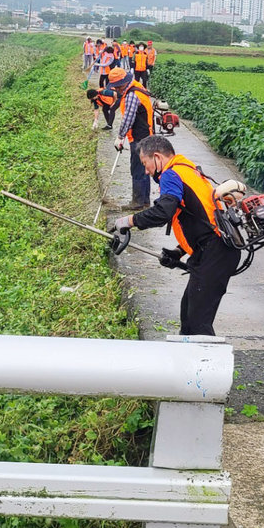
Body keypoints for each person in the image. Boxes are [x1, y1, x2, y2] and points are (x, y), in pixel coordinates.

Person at [111, 135, 241, 336]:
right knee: (188, 316)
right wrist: (179, 252)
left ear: (157, 157)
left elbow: (163, 211)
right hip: (212, 250)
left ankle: (207, 365)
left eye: (146, 164)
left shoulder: (171, 174)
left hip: (216, 253)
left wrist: (128, 221)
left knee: (198, 323)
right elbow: (201, 218)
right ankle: (188, 364)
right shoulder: (187, 170)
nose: (146, 171)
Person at [108, 67, 153, 209]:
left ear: (121, 84)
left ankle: (137, 202)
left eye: (115, 86)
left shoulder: (132, 95)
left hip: (140, 138)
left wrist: (120, 137)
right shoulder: (136, 88)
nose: (115, 89)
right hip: (145, 135)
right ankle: (145, 201)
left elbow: (128, 118)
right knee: (145, 168)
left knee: (138, 169)